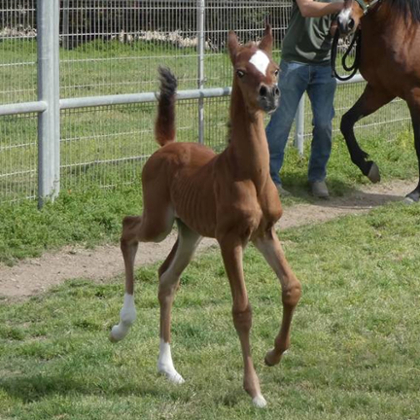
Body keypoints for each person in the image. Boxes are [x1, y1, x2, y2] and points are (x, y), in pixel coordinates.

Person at [266, 0, 344, 198]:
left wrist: (346, 26)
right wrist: (340, 5)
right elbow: (307, 8)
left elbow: (334, 28)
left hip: (324, 66)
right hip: (294, 62)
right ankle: (269, 178)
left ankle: (317, 177)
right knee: (281, 122)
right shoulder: (340, 2)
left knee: (324, 123)